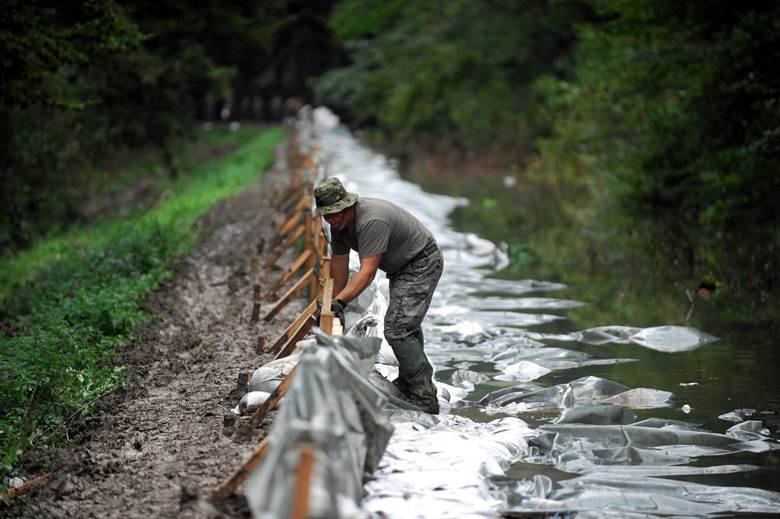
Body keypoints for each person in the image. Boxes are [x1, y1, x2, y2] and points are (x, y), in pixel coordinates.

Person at [314, 177, 443, 414]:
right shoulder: (338, 224)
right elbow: (339, 266)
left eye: (335, 213)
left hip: (421, 262)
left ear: (348, 206)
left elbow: (367, 273)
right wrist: (331, 298)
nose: (331, 219)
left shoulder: (371, 221)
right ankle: (408, 383)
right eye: (326, 215)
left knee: (397, 329)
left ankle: (425, 395)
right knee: (407, 326)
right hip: (401, 267)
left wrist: (341, 302)